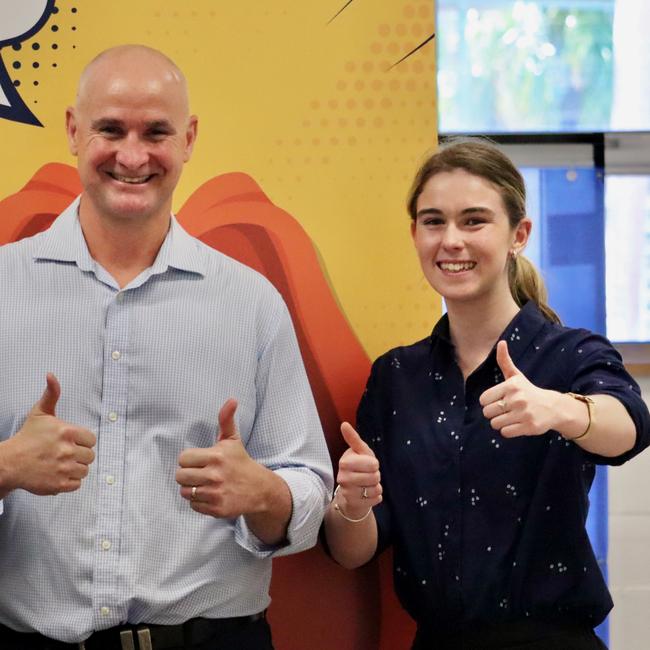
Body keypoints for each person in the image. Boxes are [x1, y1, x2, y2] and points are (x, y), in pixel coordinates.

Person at [0, 45, 333, 650]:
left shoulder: (251, 302)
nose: (132, 155)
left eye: (156, 132)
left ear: (189, 138)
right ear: (74, 130)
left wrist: (263, 494)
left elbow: (309, 483)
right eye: (110, 129)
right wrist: (5, 469)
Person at [323, 139, 650, 650]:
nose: (451, 240)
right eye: (434, 222)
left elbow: (630, 426)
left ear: (519, 234)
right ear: (415, 234)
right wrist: (352, 507)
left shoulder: (568, 354)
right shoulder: (396, 376)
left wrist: (558, 409)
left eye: (474, 221)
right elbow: (353, 552)